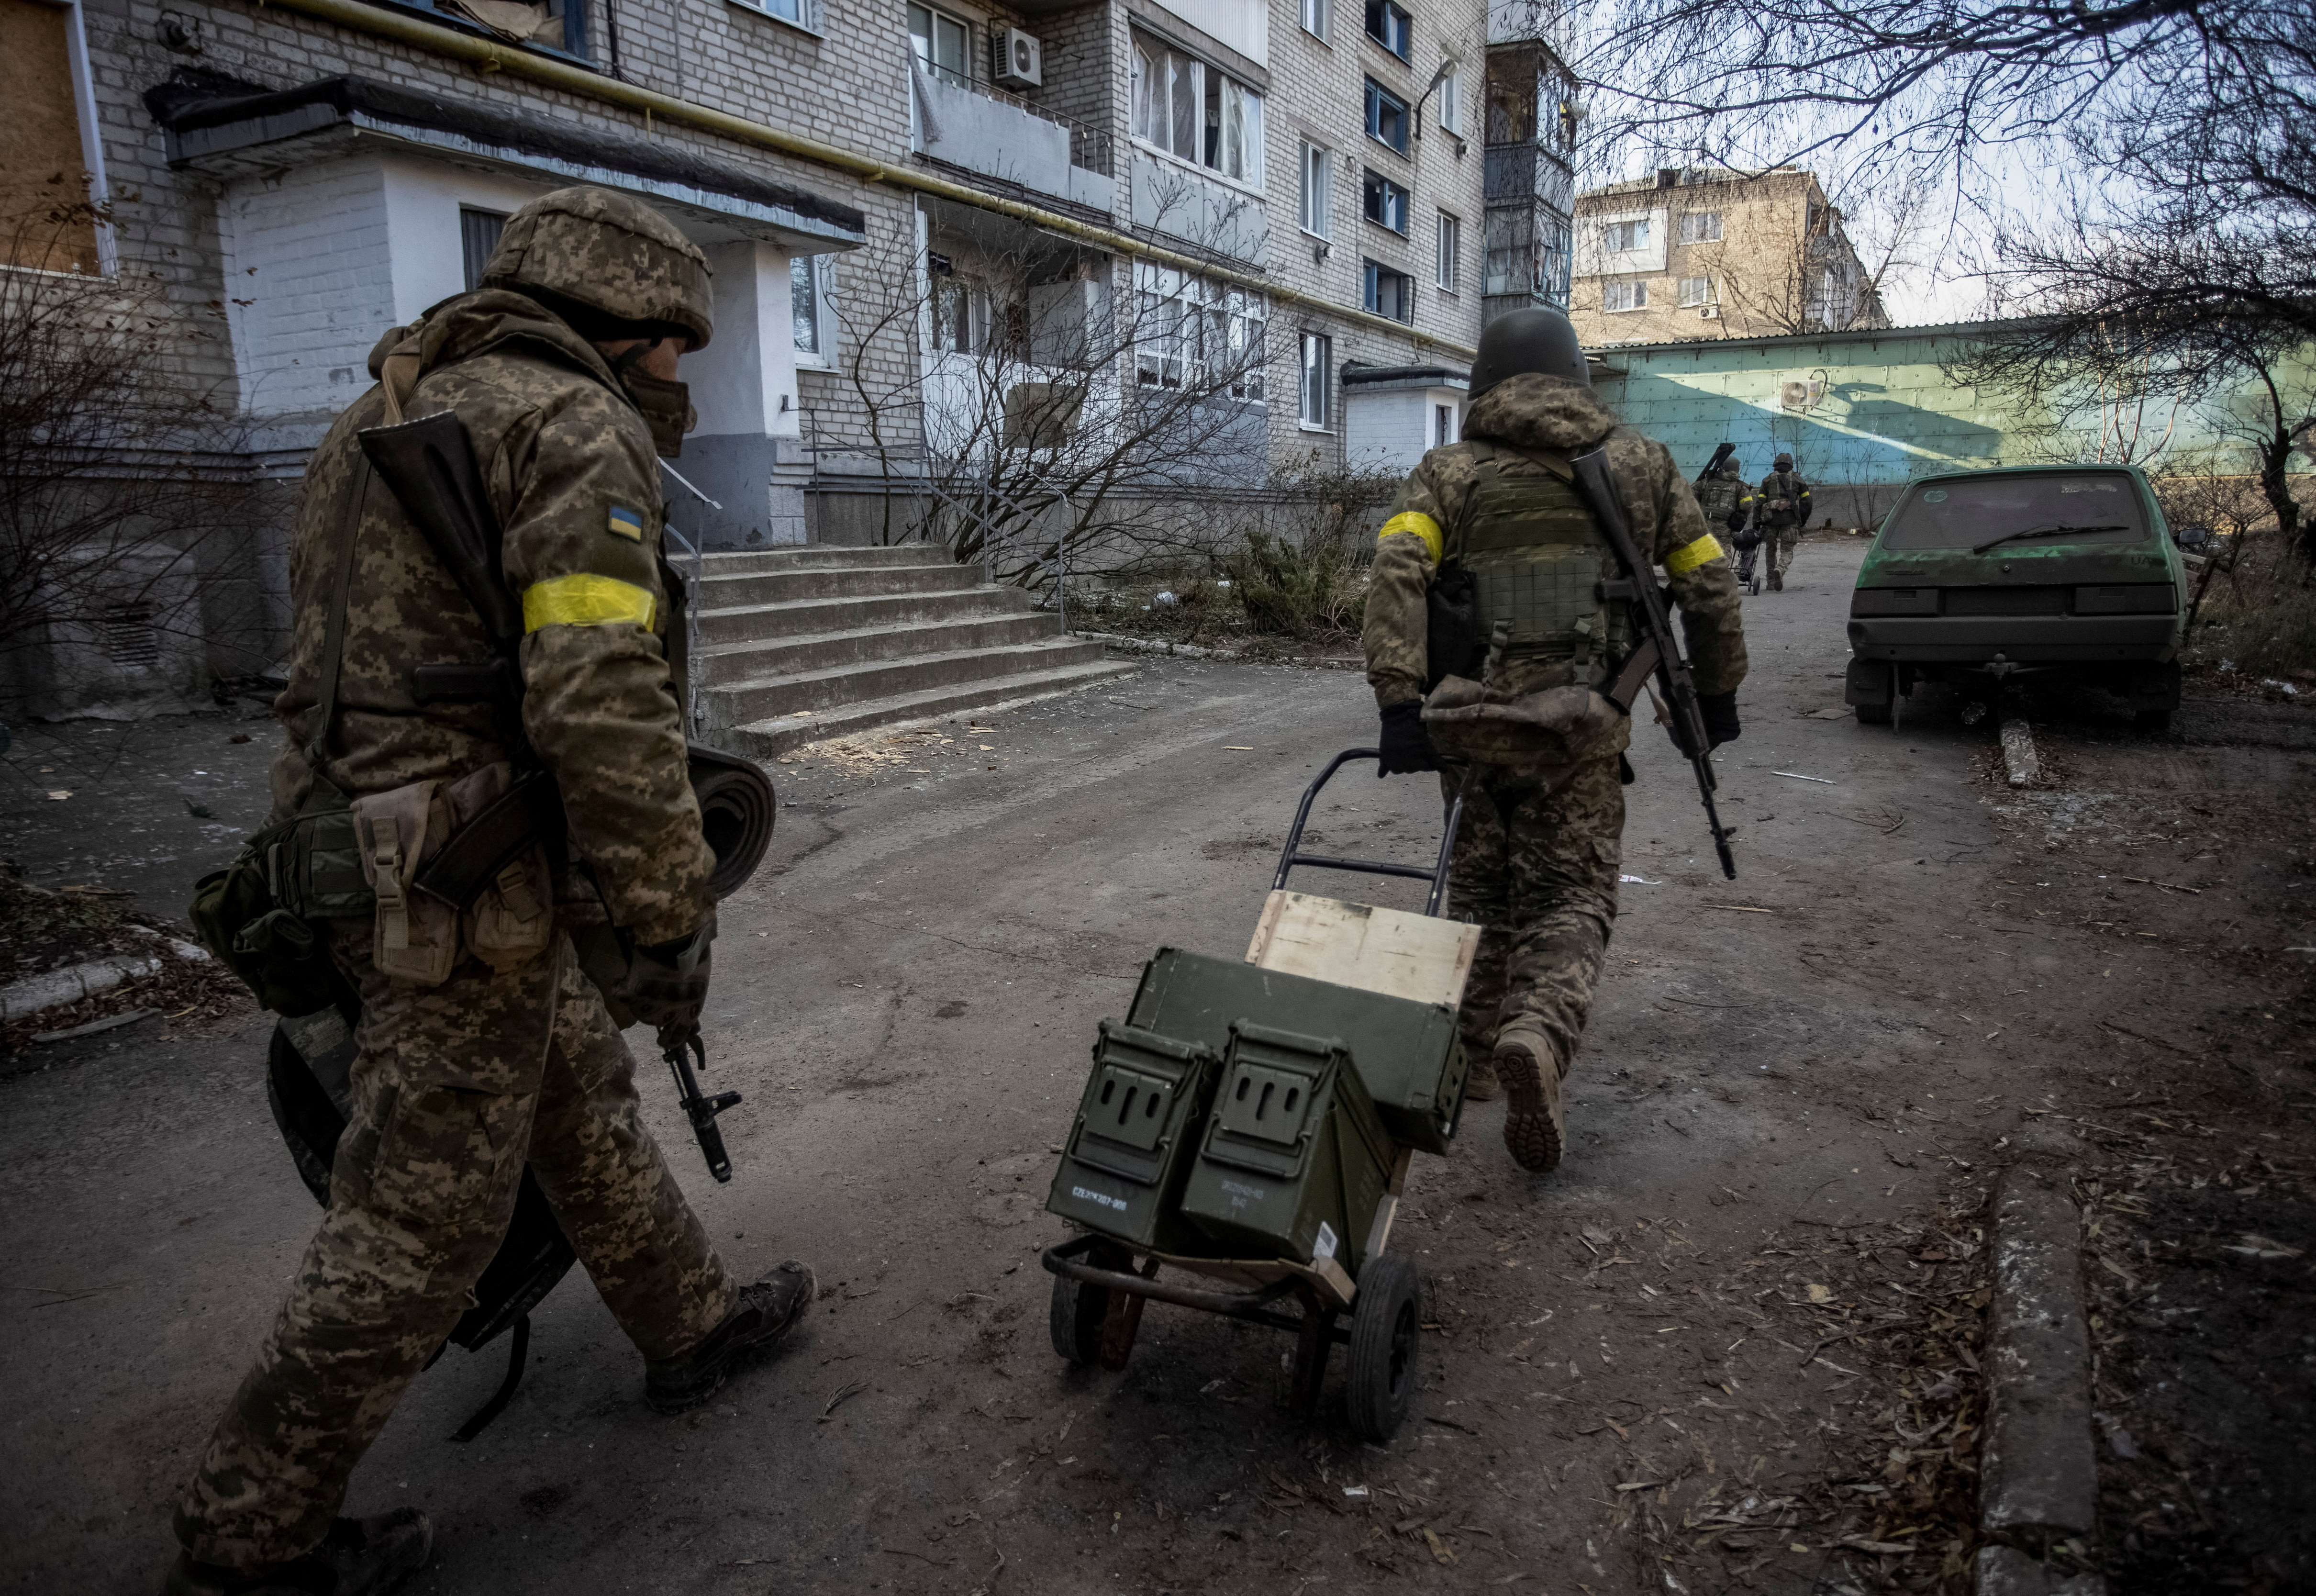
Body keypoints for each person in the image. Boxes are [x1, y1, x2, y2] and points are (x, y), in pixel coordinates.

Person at [163, 187, 814, 1596]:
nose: (681, 377)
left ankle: (689, 1322)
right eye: (677, 349)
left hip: (367, 856)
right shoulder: (569, 427)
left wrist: (332, 877)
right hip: (468, 884)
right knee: (420, 1210)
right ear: (631, 331)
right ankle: (247, 1534)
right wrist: (666, 909)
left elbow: (328, 685)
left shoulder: (378, 413)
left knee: (575, 1093)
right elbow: (602, 701)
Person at [1362, 308, 1748, 1173]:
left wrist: (1397, 702)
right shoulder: (1641, 463)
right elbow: (1711, 587)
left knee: (1481, 892)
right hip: (1581, 730)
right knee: (1571, 899)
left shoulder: (1448, 470)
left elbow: (1396, 572)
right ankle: (1538, 1033)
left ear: (1484, 383)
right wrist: (1716, 697)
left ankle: (1469, 1061)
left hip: (1470, 728)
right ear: (1574, 374)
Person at [1753, 452, 1812, 591]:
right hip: (1790, 521)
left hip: (1770, 522)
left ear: (1775, 465)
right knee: (1787, 550)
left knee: (1770, 551)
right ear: (1790, 465)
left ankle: (1771, 583)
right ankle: (1780, 570)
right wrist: (1802, 520)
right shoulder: (1798, 480)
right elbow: (1807, 502)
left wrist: (1756, 523)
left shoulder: (1767, 480)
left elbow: (1759, 503)